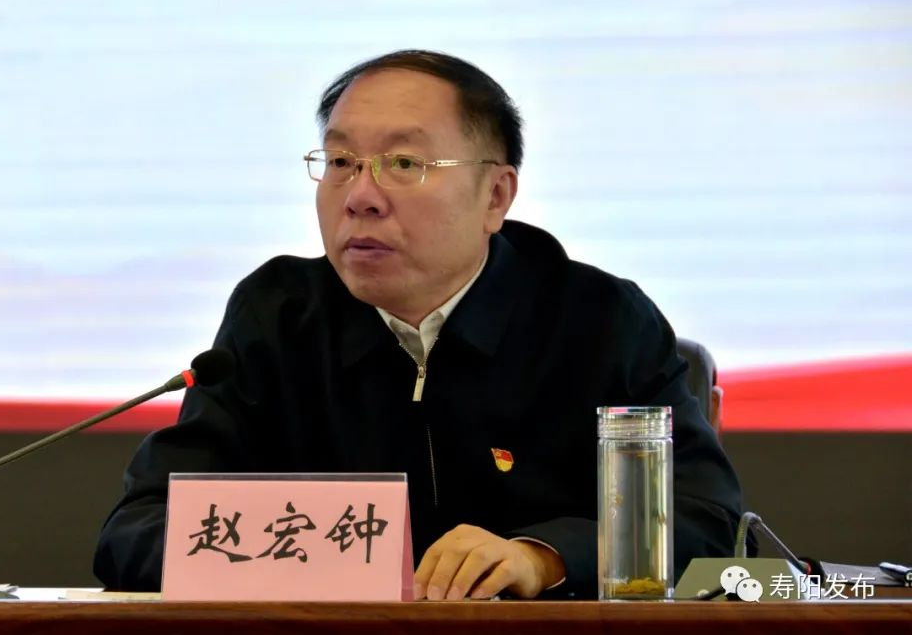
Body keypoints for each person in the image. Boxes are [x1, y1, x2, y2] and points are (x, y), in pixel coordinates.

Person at [93, 50, 744, 599]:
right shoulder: (278, 317)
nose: (360, 196)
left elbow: (705, 522)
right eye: (341, 162)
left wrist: (543, 558)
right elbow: (139, 530)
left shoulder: (597, 321)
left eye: (404, 164)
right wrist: (311, 558)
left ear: (495, 196)